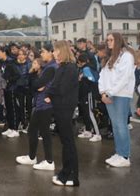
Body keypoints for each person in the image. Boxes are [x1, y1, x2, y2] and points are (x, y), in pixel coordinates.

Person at [16, 44, 57, 171]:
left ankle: (49, 161)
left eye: (44, 51)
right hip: (41, 103)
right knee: (33, 130)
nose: (41, 54)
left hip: (45, 104)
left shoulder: (51, 68)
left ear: (51, 52)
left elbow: (38, 84)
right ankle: (32, 157)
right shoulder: (49, 67)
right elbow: (37, 86)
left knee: (43, 132)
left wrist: (38, 82)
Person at [99, 32, 136, 168]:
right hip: (109, 95)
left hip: (121, 95)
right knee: (115, 125)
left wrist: (111, 93)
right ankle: (119, 153)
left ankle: (125, 156)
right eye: (107, 40)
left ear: (118, 41)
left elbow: (124, 78)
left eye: (111, 40)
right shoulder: (110, 58)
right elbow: (102, 76)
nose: (108, 42)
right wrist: (103, 92)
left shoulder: (127, 56)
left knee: (121, 125)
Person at [50, 40, 80, 187]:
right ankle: (66, 172)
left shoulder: (69, 68)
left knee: (68, 143)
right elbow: (55, 87)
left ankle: (72, 176)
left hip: (65, 109)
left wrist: (50, 91)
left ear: (61, 51)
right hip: (60, 108)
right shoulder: (63, 67)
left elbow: (60, 89)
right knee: (66, 143)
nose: (53, 53)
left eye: (55, 50)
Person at [76, 53, 101, 142]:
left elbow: (92, 80)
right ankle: (88, 130)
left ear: (80, 62)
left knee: (90, 113)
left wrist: (83, 78)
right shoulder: (83, 69)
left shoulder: (86, 68)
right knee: (86, 113)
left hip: (88, 94)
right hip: (84, 94)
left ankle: (97, 134)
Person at [0, 46, 21, 138]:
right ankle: (10, 127)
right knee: (8, 108)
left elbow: (18, 75)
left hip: (12, 88)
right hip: (6, 88)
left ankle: (15, 128)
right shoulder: (3, 63)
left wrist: (9, 80)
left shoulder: (11, 62)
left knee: (13, 108)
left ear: (4, 52)